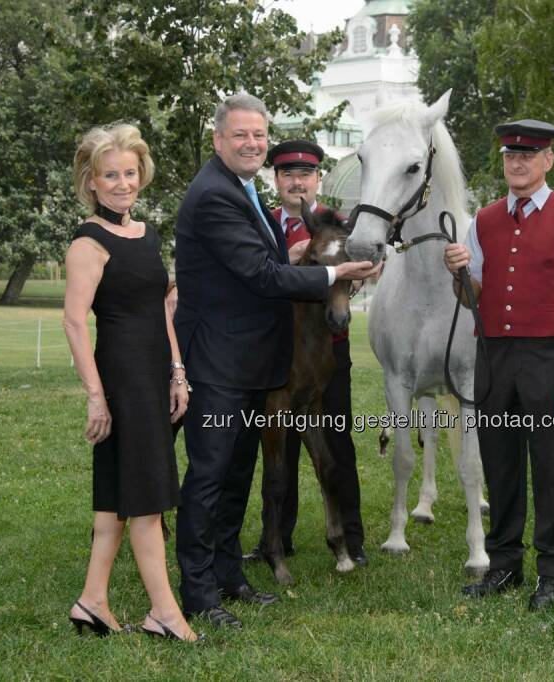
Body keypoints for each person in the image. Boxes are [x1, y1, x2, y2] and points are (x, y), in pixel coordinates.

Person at [173, 93, 377, 630]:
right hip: (217, 360)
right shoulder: (216, 195)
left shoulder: (244, 191)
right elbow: (262, 276)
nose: (252, 144)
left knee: (238, 473)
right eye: (240, 135)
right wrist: (334, 275)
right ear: (218, 140)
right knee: (211, 475)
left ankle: (228, 576)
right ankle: (198, 595)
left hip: (250, 363)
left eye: (259, 135)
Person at [443, 119, 554, 611]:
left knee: (551, 466)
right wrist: (458, 274)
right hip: (495, 357)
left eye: (529, 155)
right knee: (501, 463)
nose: (518, 163)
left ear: (548, 160)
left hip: (549, 356)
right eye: (511, 155)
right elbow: (472, 298)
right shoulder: (482, 220)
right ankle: (504, 563)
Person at [64, 123, 199, 642]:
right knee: (144, 498)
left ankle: (93, 601)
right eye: (110, 175)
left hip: (154, 371)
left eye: (130, 172)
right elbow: (75, 322)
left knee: (114, 499)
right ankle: (164, 612)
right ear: (92, 182)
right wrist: (97, 397)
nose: (123, 183)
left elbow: (162, 310)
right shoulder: (88, 240)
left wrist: (178, 371)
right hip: (120, 377)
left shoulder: (146, 235)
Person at [241, 139, 367, 566]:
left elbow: (366, 260)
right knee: (280, 448)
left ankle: (352, 538)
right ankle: (276, 537)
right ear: (275, 179)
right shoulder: (263, 221)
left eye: (306, 174)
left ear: (317, 180)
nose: (297, 182)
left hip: (330, 351)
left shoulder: (339, 223)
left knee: (336, 442)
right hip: (277, 351)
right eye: (287, 174)